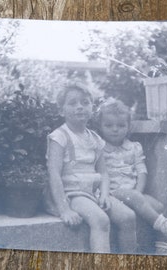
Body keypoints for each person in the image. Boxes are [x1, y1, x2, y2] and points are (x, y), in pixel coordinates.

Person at [44, 83, 137, 254]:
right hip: (73, 194)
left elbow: (102, 172)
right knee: (101, 220)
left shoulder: (94, 138)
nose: (80, 106)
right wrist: (64, 209)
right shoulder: (59, 137)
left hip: (94, 193)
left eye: (85, 102)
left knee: (128, 217)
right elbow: (54, 174)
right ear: (61, 110)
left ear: (92, 108)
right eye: (73, 103)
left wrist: (104, 194)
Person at [97, 98, 167, 254]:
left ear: (128, 127)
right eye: (109, 125)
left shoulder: (134, 147)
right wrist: (133, 195)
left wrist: (138, 191)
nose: (115, 129)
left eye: (121, 125)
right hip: (112, 193)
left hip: (133, 194)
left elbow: (141, 171)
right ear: (100, 127)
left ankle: (162, 248)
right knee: (136, 200)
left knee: (158, 206)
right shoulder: (100, 148)